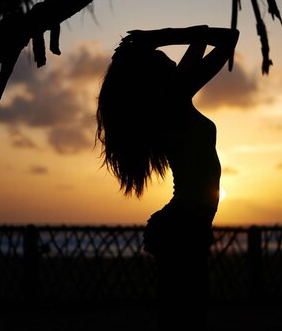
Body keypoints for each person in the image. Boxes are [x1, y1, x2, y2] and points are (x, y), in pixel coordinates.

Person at [95, 25, 239, 329]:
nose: (173, 62)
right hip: (183, 225)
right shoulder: (172, 100)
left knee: (184, 312)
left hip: (187, 223)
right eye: (164, 62)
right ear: (153, 79)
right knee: (184, 313)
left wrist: (155, 40)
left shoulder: (177, 99)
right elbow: (216, 39)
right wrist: (158, 38)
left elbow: (230, 38)